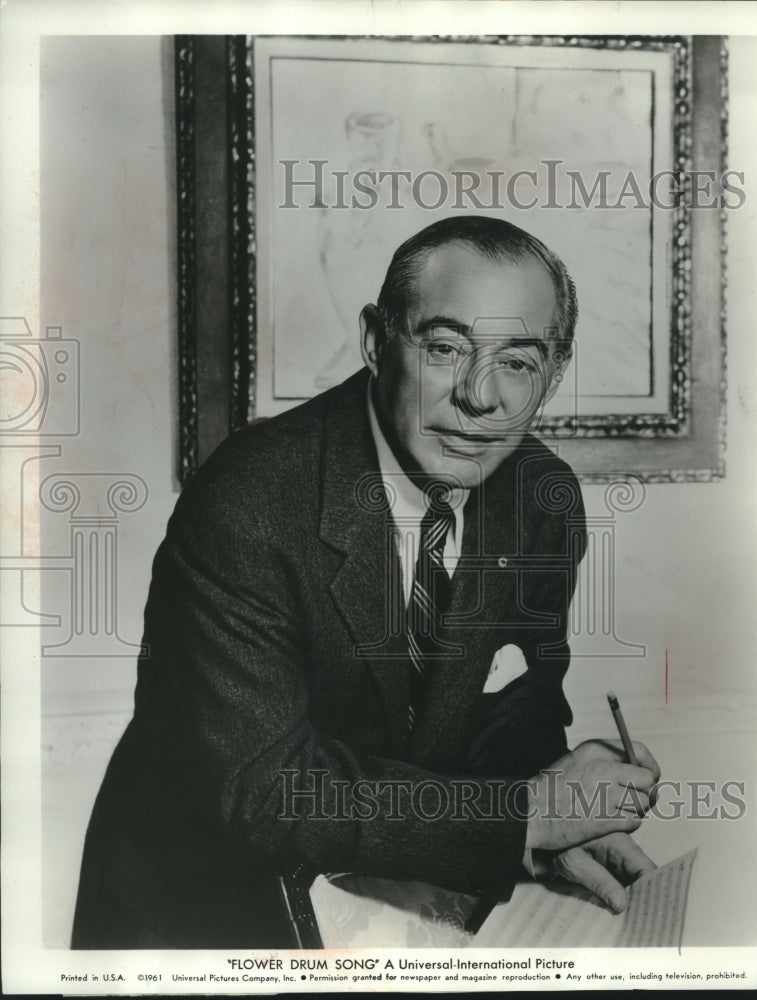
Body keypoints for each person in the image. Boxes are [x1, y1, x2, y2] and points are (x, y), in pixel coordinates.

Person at [72, 216, 660, 949]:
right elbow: (268, 788)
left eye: (518, 361)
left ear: (555, 371)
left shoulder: (540, 496)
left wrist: (552, 817)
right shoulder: (250, 498)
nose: (481, 397)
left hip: (399, 910)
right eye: (445, 348)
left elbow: (517, 706)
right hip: (211, 916)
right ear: (377, 343)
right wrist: (525, 816)